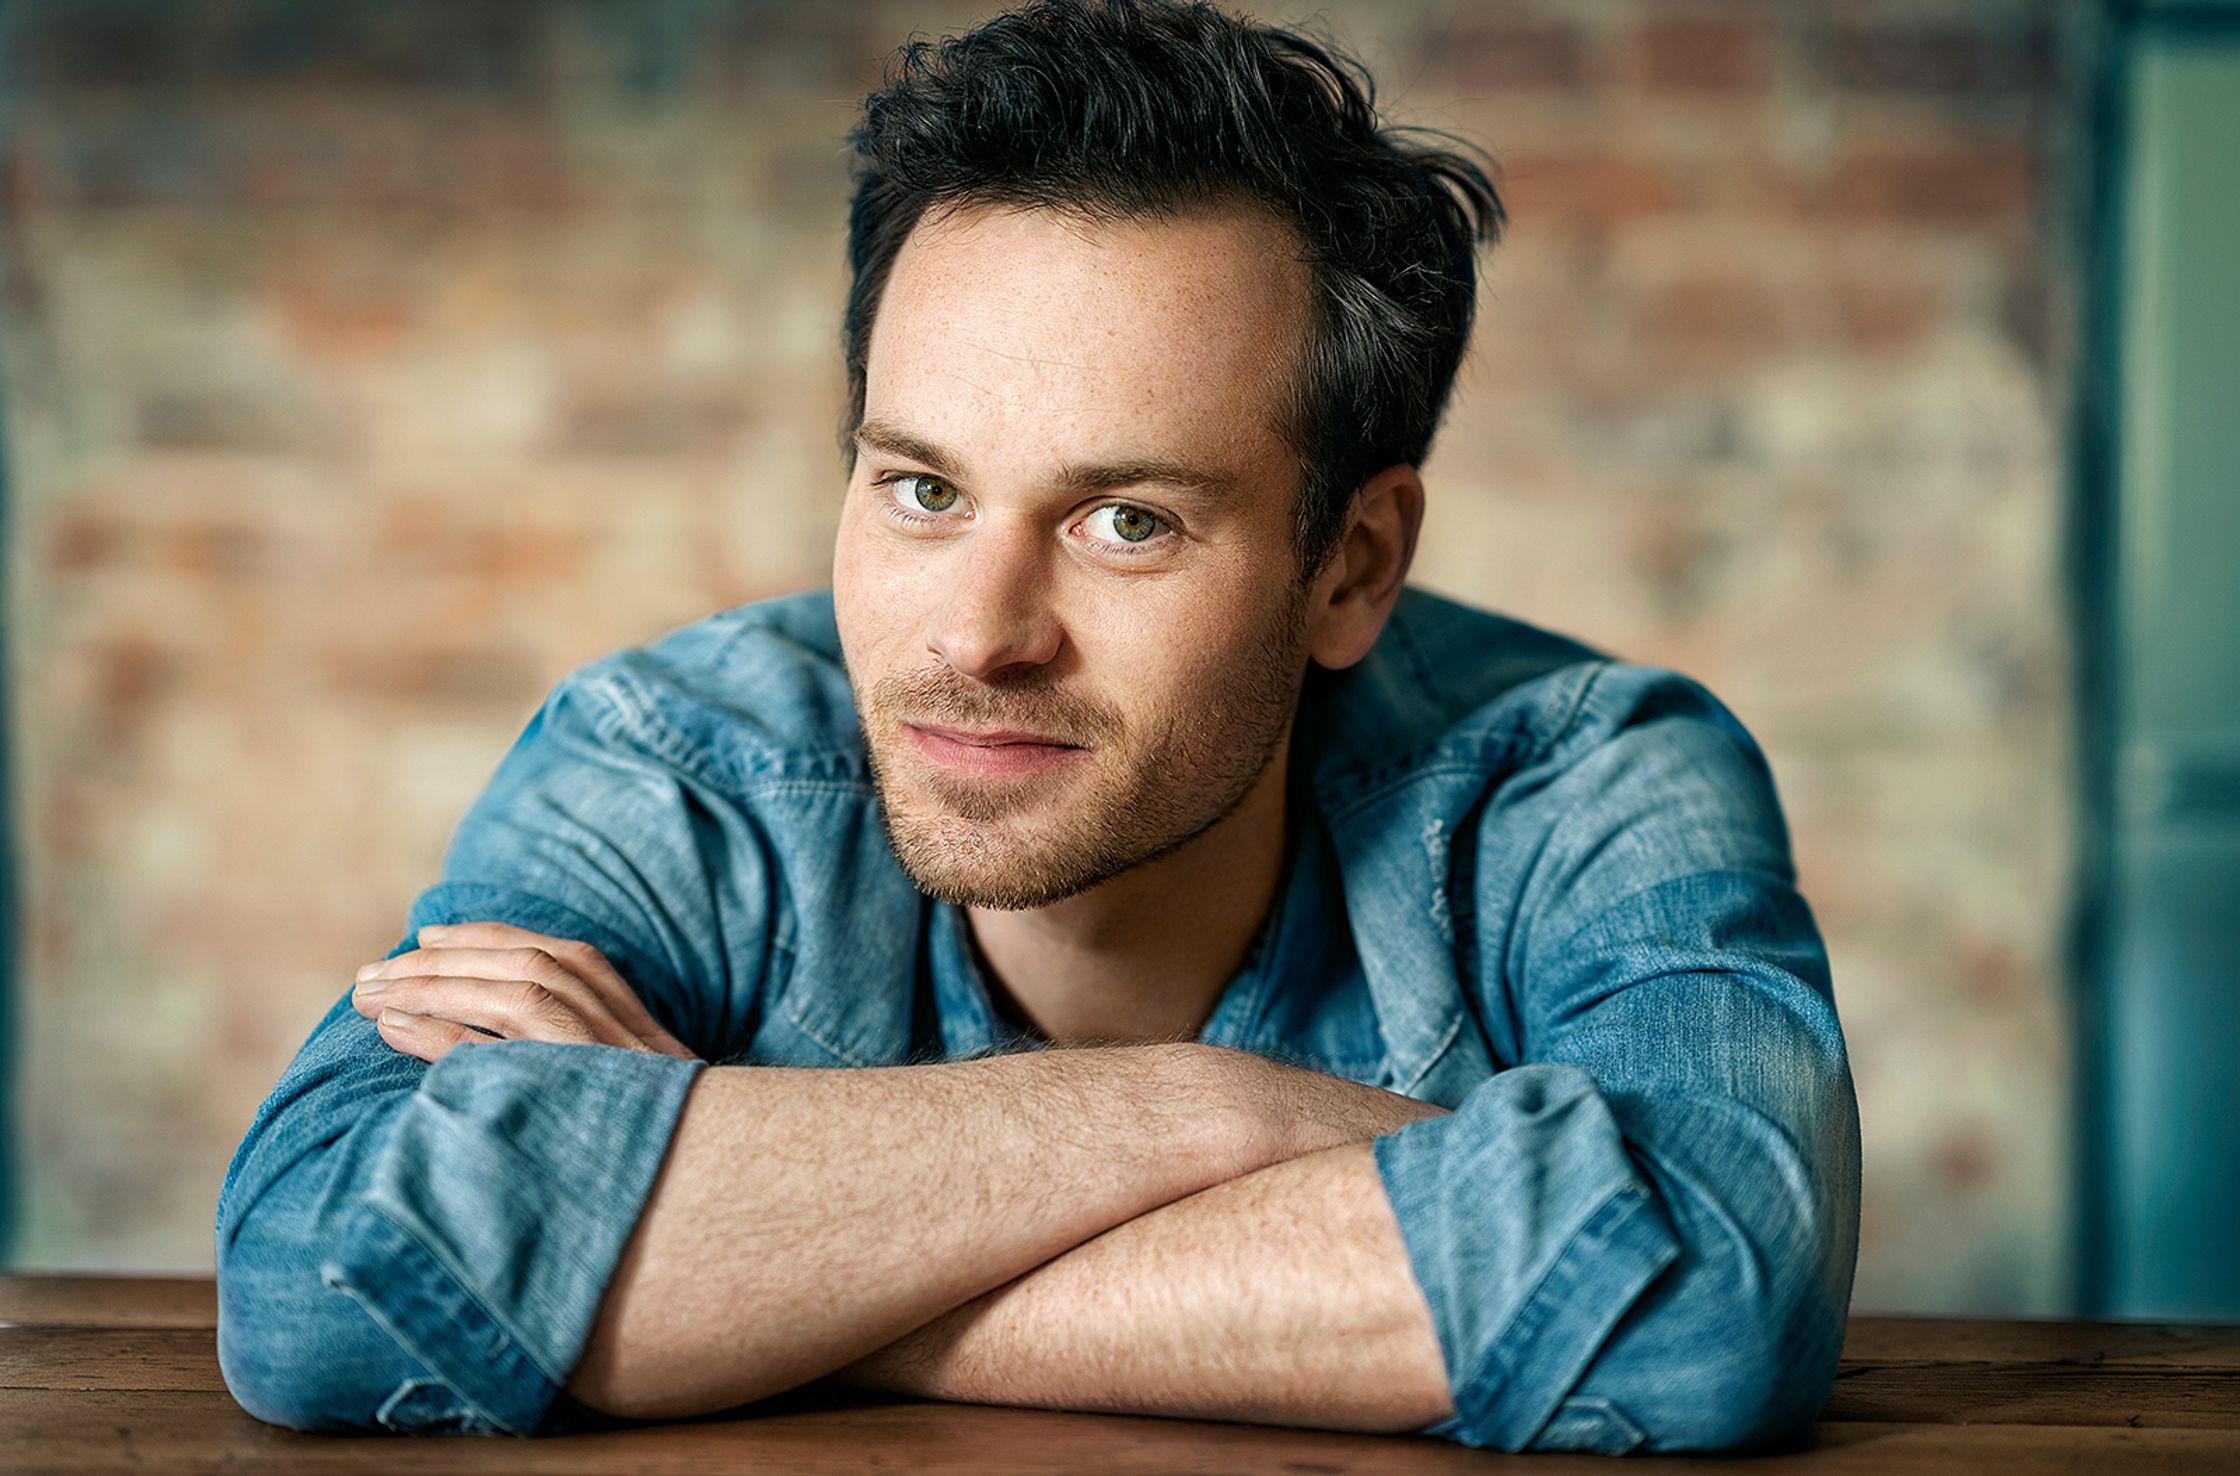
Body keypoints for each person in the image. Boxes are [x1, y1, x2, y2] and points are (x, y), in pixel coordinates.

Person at [214, 0, 1860, 1455]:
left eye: (1126, 520)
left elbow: (1705, 1288)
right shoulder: (681, 761)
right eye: (921, 489)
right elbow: (318, 1271)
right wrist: (1214, 1114)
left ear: (1350, 566)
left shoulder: (1591, 778)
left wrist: (750, 1251)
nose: (978, 634)